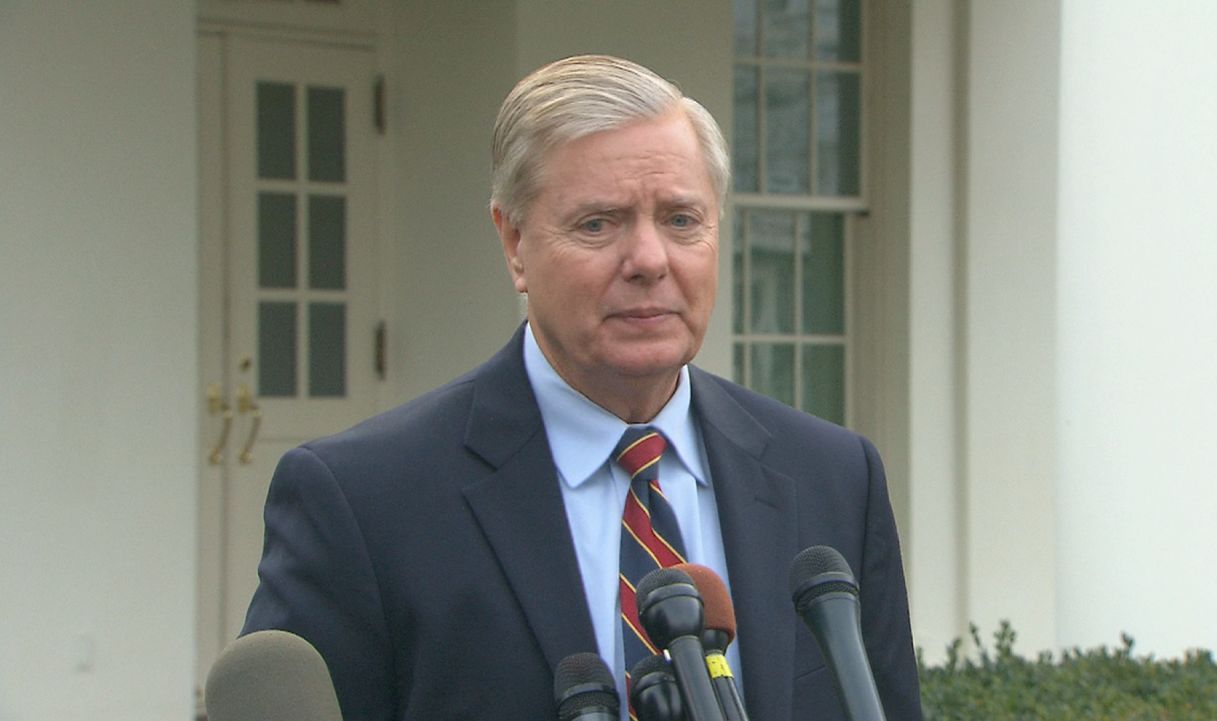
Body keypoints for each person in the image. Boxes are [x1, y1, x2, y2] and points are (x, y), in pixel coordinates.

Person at [242, 54, 922, 721]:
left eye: (682, 219)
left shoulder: (834, 478)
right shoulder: (365, 500)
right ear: (514, 242)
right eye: (599, 223)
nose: (650, 260)